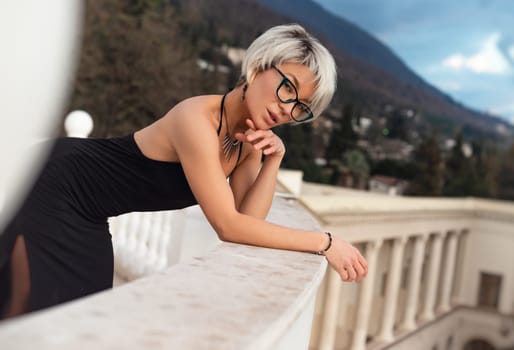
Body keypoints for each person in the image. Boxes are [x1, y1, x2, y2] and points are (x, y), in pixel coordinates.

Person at [0, 23, 368, 319]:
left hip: (91, 211)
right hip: (55, 184)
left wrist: (271, 160)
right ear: (258, 66)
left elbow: (248, 221)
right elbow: (229, 225)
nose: (287, 108)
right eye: (287, 88)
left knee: (80, 315)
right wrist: (326, 243)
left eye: (300, 107)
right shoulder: (196, 119)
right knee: (33, 307)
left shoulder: (247, 143)